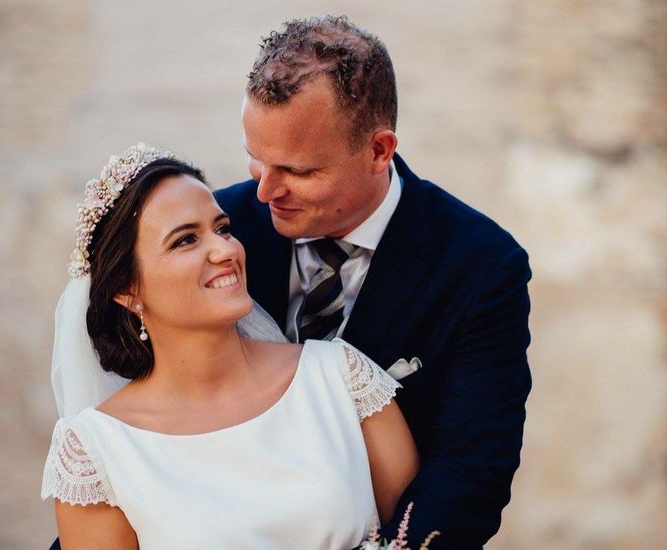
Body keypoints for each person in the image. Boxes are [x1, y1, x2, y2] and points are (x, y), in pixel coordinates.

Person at [214, 16, 532, 548]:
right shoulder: (220, 228)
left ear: (379, 150)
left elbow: (470, 470)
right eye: (256, 160)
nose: (267, 192)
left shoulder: (481, 266)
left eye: (300, 171)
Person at [40, 144, 419, 549]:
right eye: (186, 240)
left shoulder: (342, 378)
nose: (225, 250)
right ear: (127, 290)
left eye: (222, 229)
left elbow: (423, 533)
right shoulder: (96, 452)